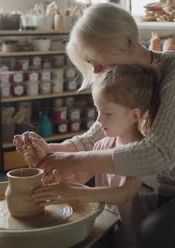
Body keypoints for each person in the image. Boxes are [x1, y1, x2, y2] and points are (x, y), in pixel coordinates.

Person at [14, 3, 175, 248]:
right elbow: (98, 134)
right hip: (157, 189)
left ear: (123, 45)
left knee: (156, 230)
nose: (96, 71)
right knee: (89, 212)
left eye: (96, 62)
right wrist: (52, 151)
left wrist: (73, 162)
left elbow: (157, 154)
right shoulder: (127, 79)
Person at [27, 65, 160, 247]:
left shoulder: (142, 153)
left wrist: (74, 192)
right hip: (110, 226)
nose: (99, 120)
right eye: (98, 110)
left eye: (108, 113)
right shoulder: (103, 144)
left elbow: (123, 194)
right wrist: (51, 172)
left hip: (137, 236)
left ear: (135, 115)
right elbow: (79, 176)